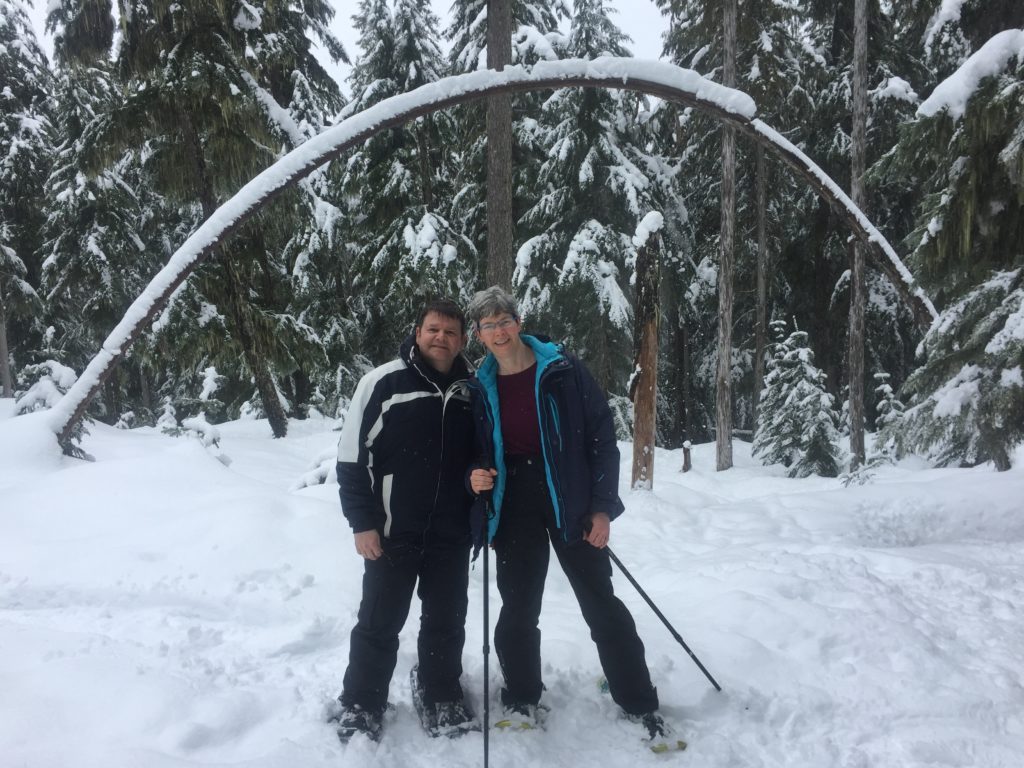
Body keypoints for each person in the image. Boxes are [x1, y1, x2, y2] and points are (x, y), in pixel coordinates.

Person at [466, 285, 671, 740]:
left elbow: (601, 437)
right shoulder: (479, 385)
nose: (499, 332)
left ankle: (637, 700)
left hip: (570, 498)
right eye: (488, 325)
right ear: (479, 334)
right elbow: (471, 451)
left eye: (504, 321)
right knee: (518, 606)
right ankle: (521, 696)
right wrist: (474, 476)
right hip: (513, 500)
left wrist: (601, 510)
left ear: (518, 322)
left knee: (600, 604)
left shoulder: (562, 369)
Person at [332, 299, 478, 743]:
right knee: (380, 620)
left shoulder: (473, 389)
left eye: (450, 332)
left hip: (451, 532)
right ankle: (362, 700)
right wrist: (362, 523)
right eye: (433, 329)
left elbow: (484, 453)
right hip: (392, 530)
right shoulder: (382, 382)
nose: (441, 338)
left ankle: (440, 692)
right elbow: (353, 458)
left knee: (447, 619)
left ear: (462, 340)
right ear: (417, 333)